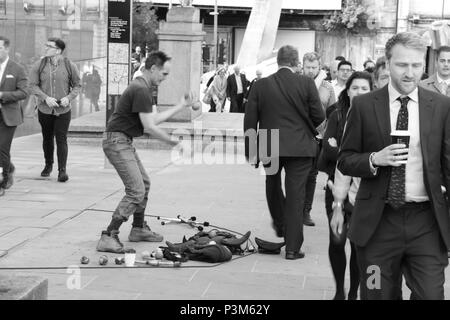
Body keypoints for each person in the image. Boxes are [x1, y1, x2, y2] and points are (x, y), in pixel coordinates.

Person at [337, 32, 450, 300]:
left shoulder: (442, 106)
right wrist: (375, 159)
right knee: (375, 293)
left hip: (426, 224)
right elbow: (345, 158)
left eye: (416, 65)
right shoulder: (364, 106)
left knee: (431, 295)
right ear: (388, 64)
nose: (410, 73)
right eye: (402, 65)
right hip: (378, 225)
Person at [96, 50, 196, 253]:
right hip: (117, 141)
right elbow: (150, 128)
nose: (164, 78)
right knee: (136, 190)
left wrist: (180, 106)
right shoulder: (141, 89)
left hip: (121, 140)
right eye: (164, 74)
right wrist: (175, 143)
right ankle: (109, 234)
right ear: (153, 69)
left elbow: (152, 120)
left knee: (144, 184)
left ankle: (138, 228)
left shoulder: (143, 87)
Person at [244, 45, 325, 260]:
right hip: (299, 145)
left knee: (272, 184)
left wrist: (251, 152)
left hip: (270, 143)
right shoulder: (306, 83)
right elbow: (319, 116)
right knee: (296, 194)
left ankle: (280, 223)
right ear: (296, 62)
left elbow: (250, 120)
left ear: (277, 61)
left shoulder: (261, 85)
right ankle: (292, 247)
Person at [322, 71, 373, 300]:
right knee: (337, 241)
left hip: (364, 191)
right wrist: (353, 155)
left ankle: (354, 292)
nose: (359, 92)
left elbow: (340, 151)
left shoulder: (377, 116)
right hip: (336, 188)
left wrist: (344, 151)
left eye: (364, 88)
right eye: (355, 88)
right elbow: (329, 149)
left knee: (358, 246)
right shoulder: (337, 114)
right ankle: (339, 290)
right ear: (347, 90)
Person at [29, 38, 81, 183]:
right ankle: (48, 164)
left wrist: (69, 98)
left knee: (61, 138)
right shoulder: (39, 65)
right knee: (47, 138)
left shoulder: (70, 65)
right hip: (45, 109)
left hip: (63, 110)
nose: (45, 48)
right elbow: (32, 85)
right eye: (46, 45)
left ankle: (62, 171)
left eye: (49, 46)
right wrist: (45, 98)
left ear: (58, 50)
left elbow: (78, 85)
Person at [302, 52, 336, 227]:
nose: (310, 70)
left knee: (312, 174)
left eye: (314, 67)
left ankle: (306, 211)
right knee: (298, 174)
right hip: (299, 135)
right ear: (303, 66)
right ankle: (294, 208)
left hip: (318, 136)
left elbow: (332, 113)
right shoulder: (297, 83)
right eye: (308, 67)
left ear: (319, 67)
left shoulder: (327, 87)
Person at [0, 36, 28, 197]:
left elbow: (23, 92)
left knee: (2, 148)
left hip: (8, 115)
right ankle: (8, 168)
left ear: (6, 49)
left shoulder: (17, 69)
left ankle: (2, 181)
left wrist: (2, 94)